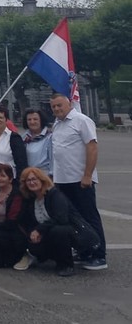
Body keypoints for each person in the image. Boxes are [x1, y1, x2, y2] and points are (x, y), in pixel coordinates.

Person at [50, 93, 106, 270]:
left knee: (89, 216)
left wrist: (87, 175)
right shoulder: (57, 124)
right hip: (63, 180)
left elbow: (92, 147)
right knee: (74, 219)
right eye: (54, 107)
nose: (57, 109)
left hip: (80, 179)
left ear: (69, 104)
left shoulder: (82, 120)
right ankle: (84, 249)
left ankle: (99, 254)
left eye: (60, 105)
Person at [16, 167, 83, 277]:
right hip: (45, 233)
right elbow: (26, 221)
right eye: (28, 180)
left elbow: (61, 219)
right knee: (33, 246)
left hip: (68, 232)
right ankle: (50, 257)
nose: (32, 182)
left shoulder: (55, 195)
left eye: (34, 179)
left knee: (60, 231)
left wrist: (39, 230)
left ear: (42, 180)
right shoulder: (30, 199)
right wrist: (32, 233)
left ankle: (66, 265)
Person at [0, 106, 27, 193]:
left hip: (9, 181)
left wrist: (19, 182)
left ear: (6, 119)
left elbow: (21, 162)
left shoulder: (14, 138)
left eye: (0, 117)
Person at [22, 109, 53, 175]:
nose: (32, 122)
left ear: (41, 120)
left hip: (44, 175)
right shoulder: (24, 137)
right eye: (29, 120)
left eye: (35, 119)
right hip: (29, 175)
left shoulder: (49, 137)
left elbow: (53, 159)